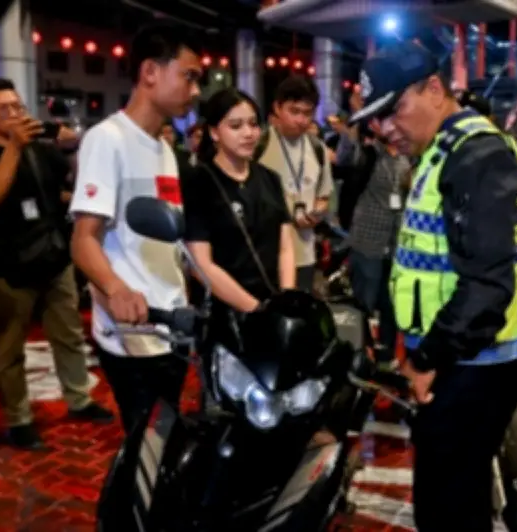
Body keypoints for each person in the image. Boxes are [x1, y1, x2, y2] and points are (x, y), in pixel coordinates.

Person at [349, 42, 517, 531]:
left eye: (394, 110)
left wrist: (426, 359)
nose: (384, 128)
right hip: (463, 354)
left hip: (474, 360)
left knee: (447, 503)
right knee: (452, 490)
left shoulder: (476, 155)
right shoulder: (445, 146)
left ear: (434, 89)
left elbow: (486, 285)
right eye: (376, 117)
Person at [69, 23, 202, 433]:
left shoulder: (164, 149)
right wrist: (116, 289)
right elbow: (83, 239)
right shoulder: (107, 139)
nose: (196, 90)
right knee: (147, 442)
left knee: (164, 439)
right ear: (150, 72)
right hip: (132, 329)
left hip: (170, 324)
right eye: (189, 76)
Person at [0, 79, 113, 450]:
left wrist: (77, 151)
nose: (15, 114)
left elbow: (67, 190)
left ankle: (79, 399)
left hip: (53, 259)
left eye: (18, 106)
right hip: (5, 268)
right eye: (4, 109)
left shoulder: (42, 151)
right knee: (9, 347)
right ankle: (18, 419)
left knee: (68, 334)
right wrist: (14, 148)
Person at [181, 88, 295, 318]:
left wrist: (286, 299)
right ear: (214, 132)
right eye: (236, 126)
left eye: (253, 124)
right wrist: (255, 309)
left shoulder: (270, 178)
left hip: (272, 309)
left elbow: (285, 248)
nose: (248, 133)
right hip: (223, 313)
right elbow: (200, 264)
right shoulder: (198, 181)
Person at [332, 89, 410, 369]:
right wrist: (356, 116)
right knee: (364, 302)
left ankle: (386, 356)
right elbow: (344, 157)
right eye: (383, 121)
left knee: (392, 305)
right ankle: (359, 356)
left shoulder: (406, 157)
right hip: (367, 241)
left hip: (397, 244)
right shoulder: (367, 153)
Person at [256, 76, 334, 292]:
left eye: (307, 113)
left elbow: (323, 196)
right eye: (294, 111)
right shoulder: (259, 145)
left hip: (304, 253)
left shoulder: (318, 149)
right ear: (277, 108)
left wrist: (316, 214)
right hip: (265, 254)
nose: (301, 120)